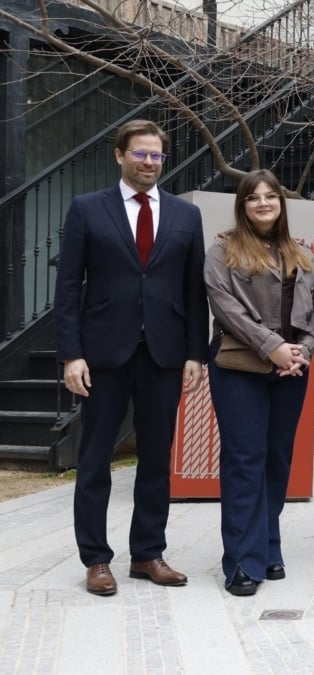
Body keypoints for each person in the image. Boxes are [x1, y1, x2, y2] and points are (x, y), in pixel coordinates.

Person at [54, 119, 208, 596]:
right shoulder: (87, 210)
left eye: (156, 155)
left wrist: (195, 354)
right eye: (140, 154)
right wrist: (71, 354)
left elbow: (193, 289)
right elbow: (67, 289)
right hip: (103, 353)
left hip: (164, 353)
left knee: (157, 459)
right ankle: (96, 559)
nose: (148, 162)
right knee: (96, 457)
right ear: (119, 155)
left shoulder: (186, 215)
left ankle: (147, 554)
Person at [204, 169, 314, 595]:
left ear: (281, 202)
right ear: (242, 205)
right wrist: (272, 345)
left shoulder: (300, 253)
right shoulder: (223, 250)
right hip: (241, 369)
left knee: (276, 460)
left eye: (270, 196)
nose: (263, 203)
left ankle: (268, 546)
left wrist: (303, 350)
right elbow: (225, 305)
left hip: (292, 370)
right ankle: (240, 560)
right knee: (244, 460)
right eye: (253, 198)